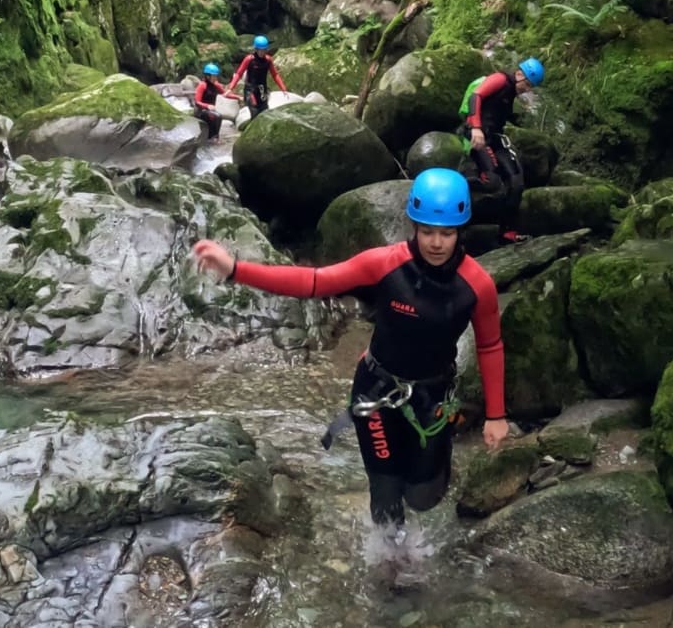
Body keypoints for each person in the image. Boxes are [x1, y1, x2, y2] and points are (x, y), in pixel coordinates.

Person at [191, 168, 509, 531]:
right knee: (386, 491)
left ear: (460, 232)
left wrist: (496, 415)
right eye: (427, 231)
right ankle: (394, 565)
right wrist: (235, 270)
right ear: (413, 227)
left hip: (431, 396)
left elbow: (490, 345)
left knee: (424, 497)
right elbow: (314, 282)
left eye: (447, 233)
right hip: (376, 391)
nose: (436, 242)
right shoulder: (385, 264)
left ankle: (424, 472)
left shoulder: (476, 285)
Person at [459, 57, 545, 245]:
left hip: (494, 138)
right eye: (528, 84)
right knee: (492, 182)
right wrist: (475, 127)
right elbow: (476, 96)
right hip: (478, 135)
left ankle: (507, 232)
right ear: (520, 74)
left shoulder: (512, 91)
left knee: (516, 181)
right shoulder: (500, 79)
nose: (527, 89)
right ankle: (460, 190)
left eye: (531, 87)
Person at [224, 35, 288, 119]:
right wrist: (230, 88)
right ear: (256, 49)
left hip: (262, 90)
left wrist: (283, 88)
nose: (262, 52)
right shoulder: (249, 59)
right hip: (250, 90)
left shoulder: (268, 60)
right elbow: (239, 74)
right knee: (254, 111)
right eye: (260, 50)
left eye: (264, 50)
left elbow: (275, 74)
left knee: (264, 112)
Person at [194, 63, 240, 144]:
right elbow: (197, 101)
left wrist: (238, 97)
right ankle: (213, 138)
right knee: (217, 116)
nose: (216, 78)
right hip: (200, 111)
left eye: (216, 76)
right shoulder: (202, 85)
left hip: (210, 111)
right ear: (207, 76)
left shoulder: (216, 85)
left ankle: (213, 137)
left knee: (215, 116)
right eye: (214, 76)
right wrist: (207, 106)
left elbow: (225, 94)